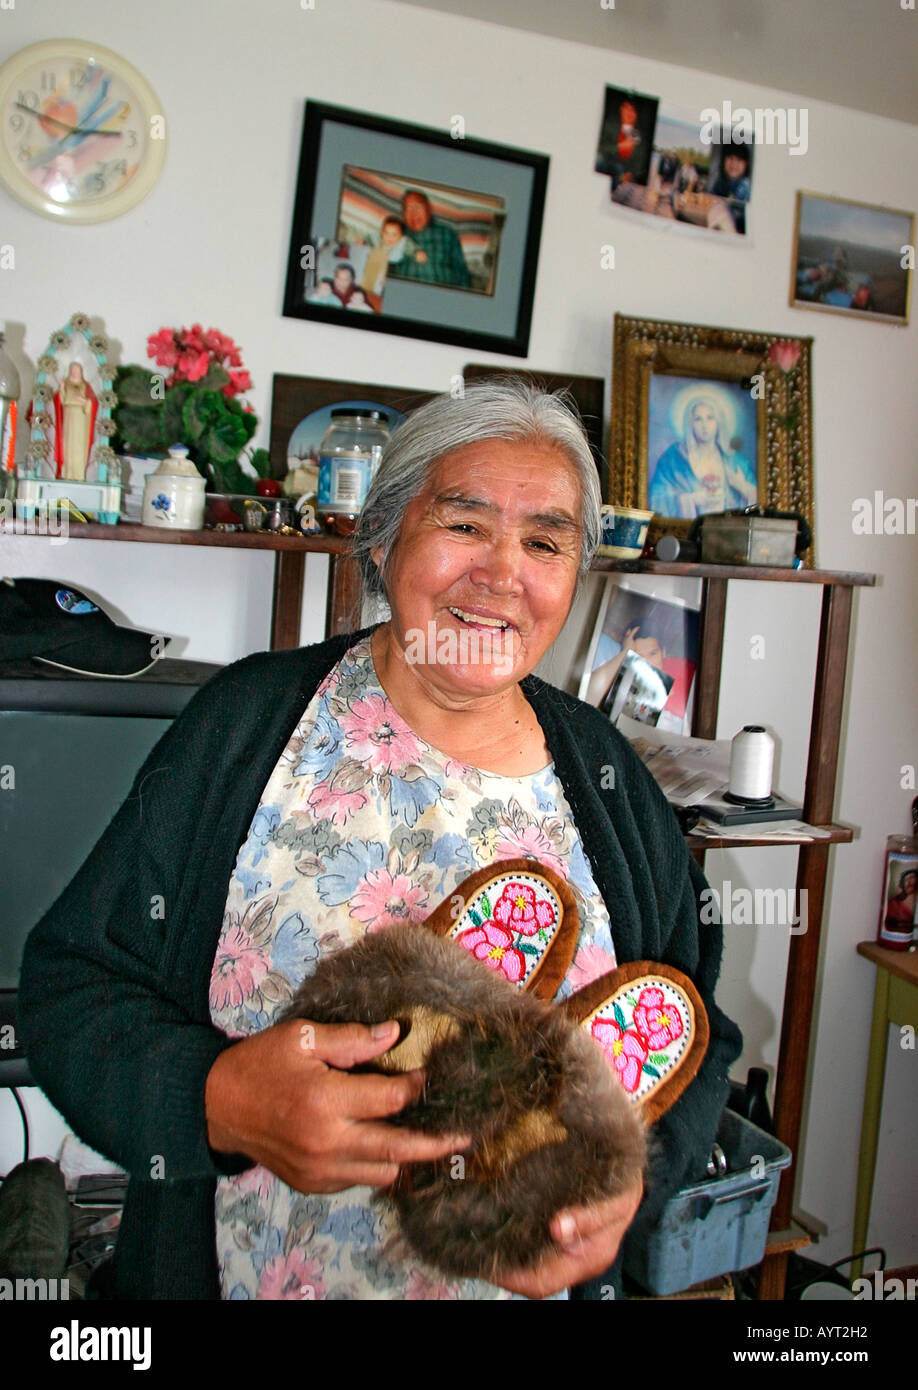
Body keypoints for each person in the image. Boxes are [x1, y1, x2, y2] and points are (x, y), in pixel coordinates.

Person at [20, 380, 741, 1301]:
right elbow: (70, 985)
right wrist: (222, 1099)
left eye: (546, 542)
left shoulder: (612, 787)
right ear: (382, 537)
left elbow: (695, 1029)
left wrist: (628, 1185)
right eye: (465, 524)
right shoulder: (245, 727)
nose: (502, 574)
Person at [649, 395, 757, 518]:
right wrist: (690, 500)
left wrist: (743, 487)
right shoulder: (672, 460)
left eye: (710, 418)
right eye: (698, 419)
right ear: (690, 424)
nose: (704, 425)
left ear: (718, 422)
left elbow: (759, 506)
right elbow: (658, 498)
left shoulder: (736, 462)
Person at [386, 189, 471, 289]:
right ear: (403, 214)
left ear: (429, 209)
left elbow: (463, 275)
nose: (414, 214)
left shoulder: (447, 234)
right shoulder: (396, 235)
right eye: (408, 209)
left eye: (418, 207)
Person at [53, 360, 97, 480]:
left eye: (77, 371)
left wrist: (85, 401)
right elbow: (60, 400)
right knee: (68, 446)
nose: (75, 372)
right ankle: (66, 473)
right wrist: (61, 388)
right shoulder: (66, 384)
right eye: (73, 370)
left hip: (81, 419)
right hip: (69, 417)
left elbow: (92, 402)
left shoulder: (85, 386)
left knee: (79, 446)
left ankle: (78, 474)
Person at [361, 215, 410, 296]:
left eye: (394, 235)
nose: (389, 237)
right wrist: (363, 241)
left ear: (401, 237)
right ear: (382, 233)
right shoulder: (378, 241)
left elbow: (409, 249)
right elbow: (369, 239)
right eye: (386, 233)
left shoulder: (400, 246)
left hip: (391, 268)